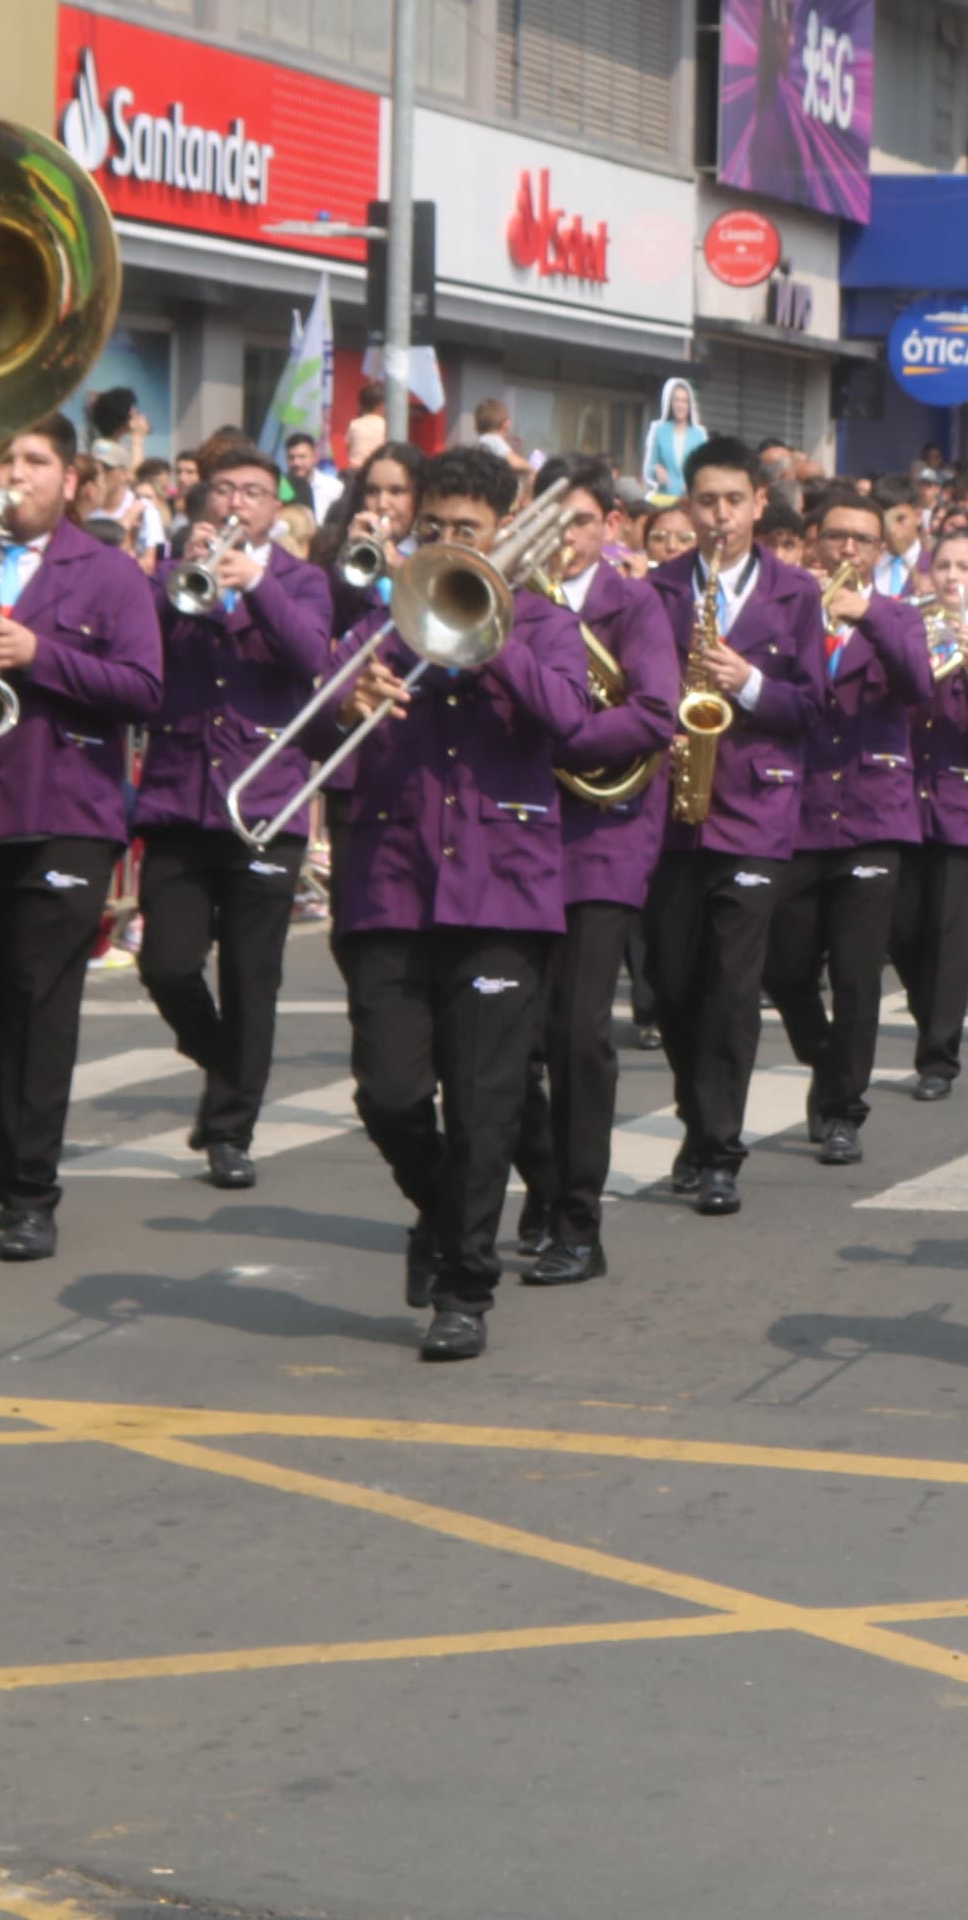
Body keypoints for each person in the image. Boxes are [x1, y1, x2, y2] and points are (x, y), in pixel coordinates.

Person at [313, 445, 600, 1360]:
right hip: (391, 883)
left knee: (484, 1104)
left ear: (503, 532)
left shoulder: (545, 621)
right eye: (429, 528)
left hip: (503, 891)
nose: (441, 542)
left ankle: (465, 1287)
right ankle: (442, 1216)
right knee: (390, 1092)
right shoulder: (380, 622)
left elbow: (572, 720)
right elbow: (316, 726)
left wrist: (488, 637)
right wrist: (344, 697)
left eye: (463, 530)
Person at [0, 418, 163, 1264]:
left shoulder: (110, 573)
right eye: (4, 459)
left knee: (35, 1000)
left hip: (67, 812)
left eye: (35, 461)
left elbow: (143, 688)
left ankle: (30, 1191)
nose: (14, 474)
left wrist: (38, 653)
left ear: (71, 479)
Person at [131, 443, 330, 1189]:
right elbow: (138, 645)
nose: (236, 504)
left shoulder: (302, 579)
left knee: (253, 978)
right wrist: (177, 577)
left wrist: (258, 585)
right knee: (167, 964)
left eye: (252, 491)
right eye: (223, 490)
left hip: (264, 804)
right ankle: (226, 1060)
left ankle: (230, 1128)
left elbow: (314, 655)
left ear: (275, 508)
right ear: (202, 501)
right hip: (180, 797)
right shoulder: (168, 572)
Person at [509, 455, 678, 1285]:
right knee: (509, 1038)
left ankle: (580, 1220)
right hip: (513, 836)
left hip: (603, 839)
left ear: (609, 525)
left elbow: (653, 711)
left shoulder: (632, 600)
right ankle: (543, 1181)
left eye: (576, 521)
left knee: (577, 1036)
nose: (561, 539)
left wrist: (564, 730)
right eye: (544, 521)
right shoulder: (505, 598)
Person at [647, 436, 825, 1214]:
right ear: (689, 506)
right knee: (674, 985)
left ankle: (721, 1149)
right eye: (705, 502)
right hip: (672, 812)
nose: (719, 516)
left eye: (732, 501)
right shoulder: (654, 589)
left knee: (732, 985)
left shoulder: (795, 593)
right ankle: (697, 1117)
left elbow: (813, 707)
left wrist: (747, 681)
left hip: (756, 808)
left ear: (759, 502)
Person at [764, 480, 934, 1164]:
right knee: (783, 964)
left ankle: (842, 1109)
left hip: (873, 812)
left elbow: (919, 683)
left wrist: (865, 613)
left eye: (864, 539)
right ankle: (825, 1057)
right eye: (837, 536)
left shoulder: (897, 613)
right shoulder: (784, 610)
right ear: (813, 540)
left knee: (859, 974)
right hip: (796, 811)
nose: (849, 548)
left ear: (878, 549)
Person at [887, 527, 968, 1105]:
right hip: (904, 801)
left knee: (948, 933)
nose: (950, 577)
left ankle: (938, 1056)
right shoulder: (907, 633)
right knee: (901, 932)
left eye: (963, 566)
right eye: (940, 566)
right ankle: (931, 1017)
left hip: (963, 806)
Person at [641, 377, 706, 503]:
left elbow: (704, 469)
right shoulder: (660, 431)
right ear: (670, 403)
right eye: (676, 400)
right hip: (664, 499)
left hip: (688, 501)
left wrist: (694, 483)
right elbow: (649, 469)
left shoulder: (699, 435)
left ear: (690, 405)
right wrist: (656, 470)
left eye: (684, 401)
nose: (680, 405)